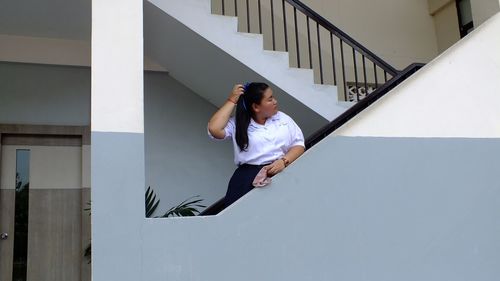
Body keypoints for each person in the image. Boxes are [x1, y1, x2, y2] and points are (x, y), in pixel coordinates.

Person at [208, 82, 305, 207]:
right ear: (256, 107)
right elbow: (214, 128)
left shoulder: (283, 119)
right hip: (247, 178)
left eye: (273, 97)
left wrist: (284, 161)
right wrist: (232, 100)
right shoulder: (238, 124)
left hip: (280, 170)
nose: (275, 101)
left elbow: (298, 145)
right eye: (270, 99)